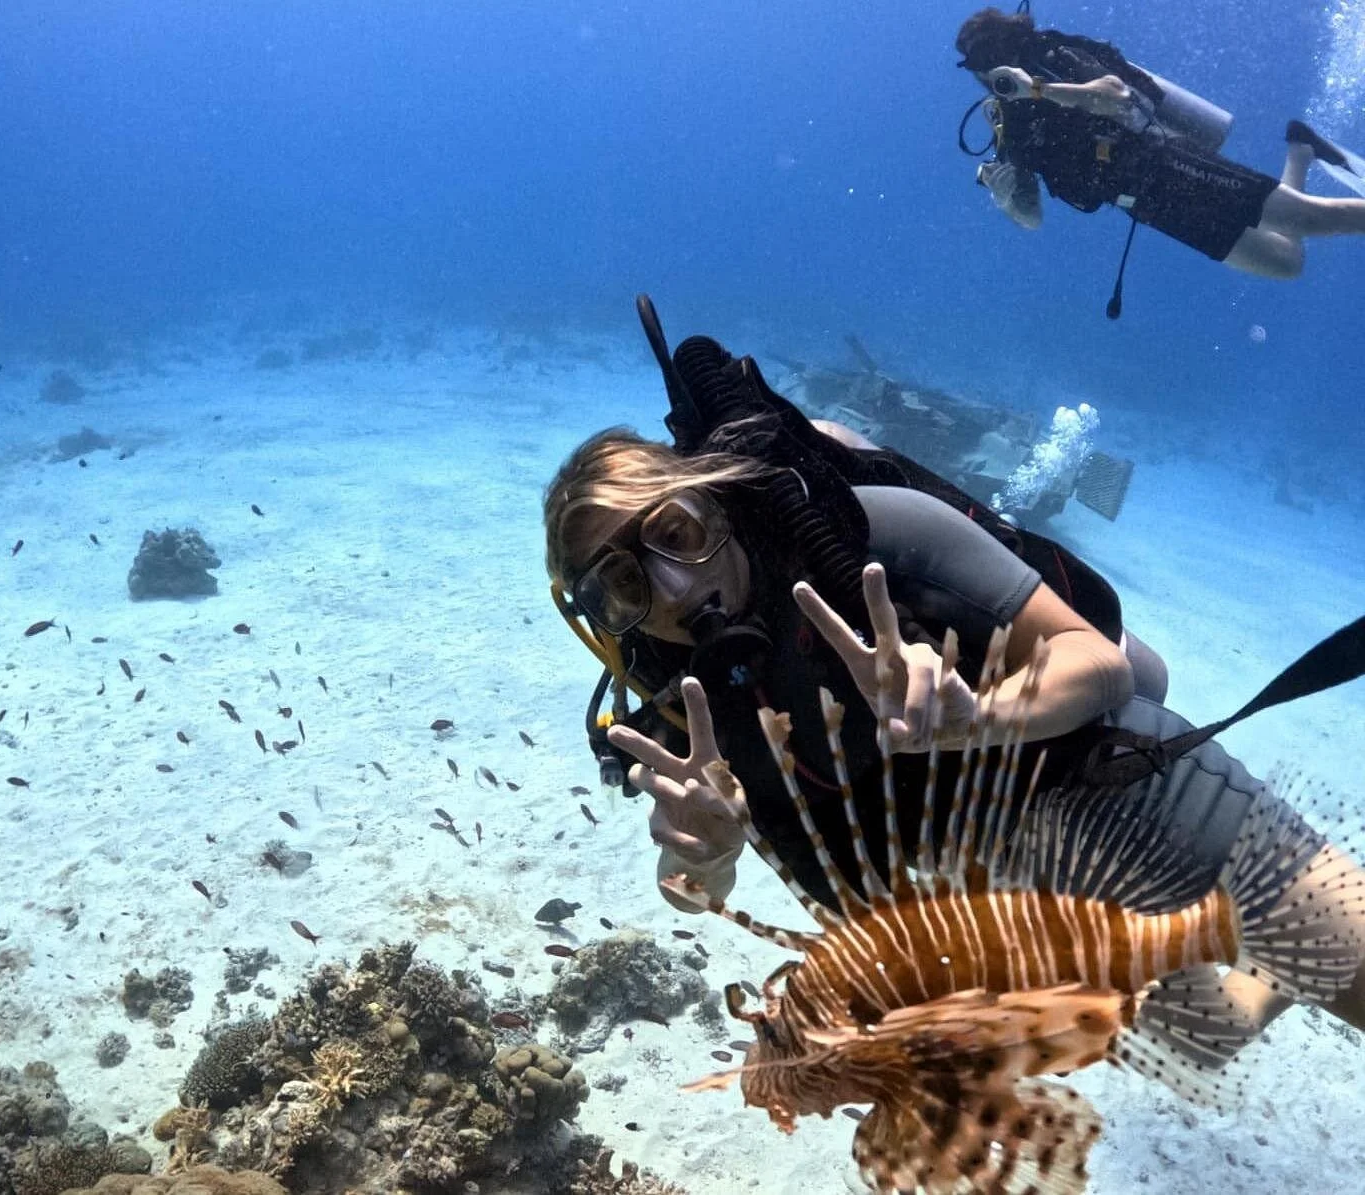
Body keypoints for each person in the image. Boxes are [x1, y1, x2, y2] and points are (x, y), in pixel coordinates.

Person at [544, 299, 1365, 1033]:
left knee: (1348, 965)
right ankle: (1261, 977)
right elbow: (689, 886)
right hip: (986, 895)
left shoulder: (873, 531)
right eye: (620, 585)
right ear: (603, 617)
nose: (674, 589)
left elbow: (1092, 663)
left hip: (1083, 770)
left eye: (677, 534)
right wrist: (702, 855)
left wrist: (982, 717)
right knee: (1212, 1029)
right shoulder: (670, 711)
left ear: (713, 499)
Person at [957, 6, 1365, 280]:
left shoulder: (1051, 61)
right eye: (978, 65)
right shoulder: (1008, 123)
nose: (988, 72)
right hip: (1145, 205)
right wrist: (1006, 199)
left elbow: (1116, 94)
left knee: (1309, 219)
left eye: (991, 56)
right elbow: (1032, 219)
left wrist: (1039, 90)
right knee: (1284, 262)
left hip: (1166, 160)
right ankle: (1301, 149)